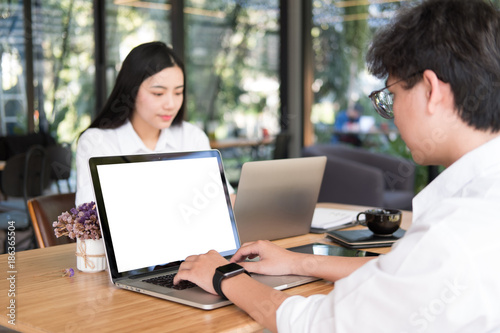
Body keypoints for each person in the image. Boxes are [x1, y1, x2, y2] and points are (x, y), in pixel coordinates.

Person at [173, 0, 500, 332]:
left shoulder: (454, 236)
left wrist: (223, 275)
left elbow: (317, 325)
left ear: (431, 91)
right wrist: (302, 261)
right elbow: (404, 279)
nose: (394, 114)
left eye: (392, 96)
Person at [75, 41, 234, 206]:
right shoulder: (98, 142)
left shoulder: (192, 137)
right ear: (131, 91)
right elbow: (90, 218)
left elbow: (224, 201)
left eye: (178, 92)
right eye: (158, 93)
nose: (171, 104)